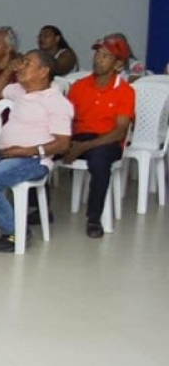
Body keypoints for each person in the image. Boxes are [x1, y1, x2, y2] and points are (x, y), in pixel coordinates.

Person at [0, 50, 72, 252]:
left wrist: (27, 151)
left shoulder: (56, 102)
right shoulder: (19, 90)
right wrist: (9, 68)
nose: (20, 66)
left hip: (33, 159)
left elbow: (63, 143)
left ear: (43, 71)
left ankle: (16, 233)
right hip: (3, 155)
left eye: (27, 64)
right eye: (21, 62)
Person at [64, 35, 135, 239]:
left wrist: (82, 147)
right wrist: (66, 143)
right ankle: (37, 209)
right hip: (79, 137)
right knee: (40, 152)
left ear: (118, 64)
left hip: (107, 140)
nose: (98, 59)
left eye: (106, 56)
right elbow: (65, 119)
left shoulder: (125, 91)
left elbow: (120, 131)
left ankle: (94, 218)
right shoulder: (79, 86)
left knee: (99, 162)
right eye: (97, 54)